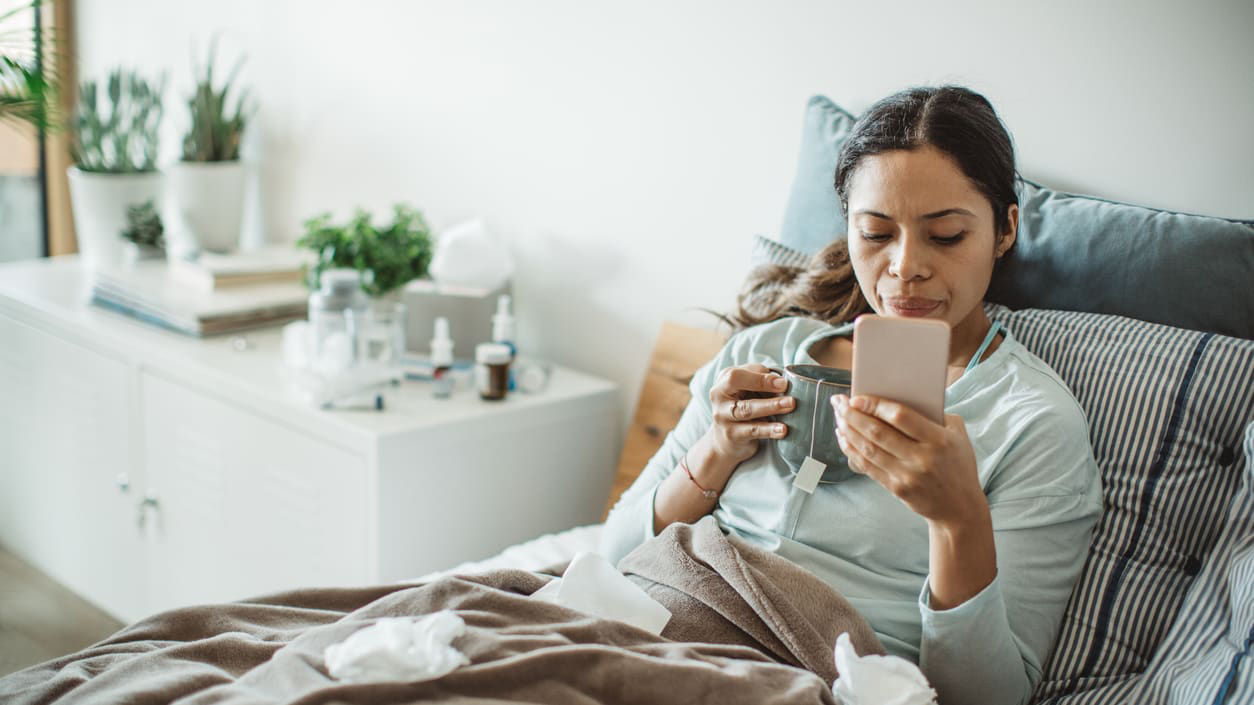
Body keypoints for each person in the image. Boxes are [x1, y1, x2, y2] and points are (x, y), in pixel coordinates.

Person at [599, 85, 1103, 705]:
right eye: (876, 233)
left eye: (946, 236)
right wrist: (716, 450)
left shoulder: (1031, 424)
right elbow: (611, 556)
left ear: (1006, 230)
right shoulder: (765, 352)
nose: (906, 266)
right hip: (653, 625)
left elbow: (987, 697)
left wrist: (957, 520)